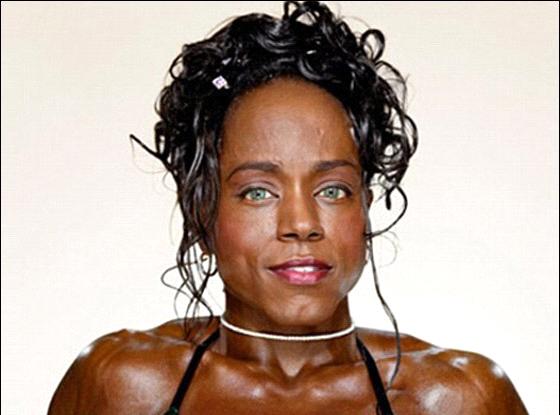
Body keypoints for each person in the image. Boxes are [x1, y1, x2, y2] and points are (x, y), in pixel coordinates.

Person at [48, 2, 528, 414]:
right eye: (258, 192)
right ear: (201, 212)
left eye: (332, 190)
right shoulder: (123, 387)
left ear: (365, 207)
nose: (301, 224)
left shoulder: (455, 399)